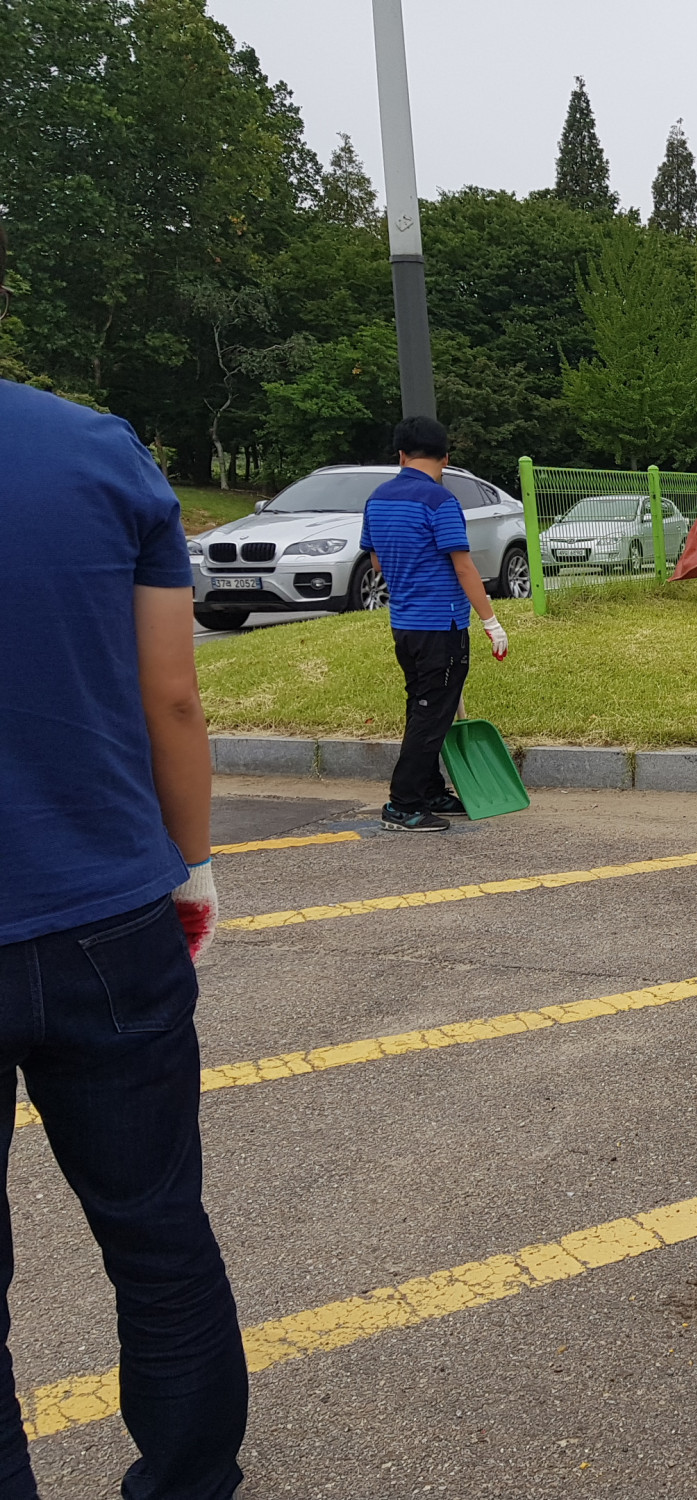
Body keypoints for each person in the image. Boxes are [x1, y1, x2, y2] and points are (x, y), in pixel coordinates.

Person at [1, 352, 248, 1491]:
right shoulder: (97, 451)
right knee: (157, 1233)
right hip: (108, 909)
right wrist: (188, 868)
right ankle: (189, 1478)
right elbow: (175, 697)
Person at [357, 416, 510, 833]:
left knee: (423, 705)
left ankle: (429, 789)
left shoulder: (377, 500)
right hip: (441, 625)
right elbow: (464, 568)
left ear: (401, 455)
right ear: (445, 457)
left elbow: (375, 561)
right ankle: (403, 804)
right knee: (431, 712)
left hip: (404, 624)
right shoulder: (440, 502)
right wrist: (491, 622)